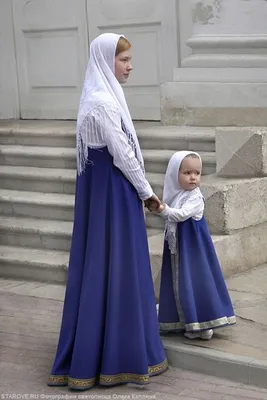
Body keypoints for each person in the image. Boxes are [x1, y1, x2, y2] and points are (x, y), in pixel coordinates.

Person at [47, 33, 168, 391]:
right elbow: (123, 155)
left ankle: (104, 353)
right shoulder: (102, 103)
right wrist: (148, 194)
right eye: (124, 60)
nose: (130, 67)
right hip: (114, 198)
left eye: (130, 60)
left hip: (104, 197)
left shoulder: (99, 97)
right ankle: (121, 358)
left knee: (104, 269)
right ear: (105, 61)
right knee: (119, 269)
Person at [154, 151, 236, 340]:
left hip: (192, 249)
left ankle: (202, 323)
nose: (193, 177)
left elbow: (180, 215)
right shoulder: (178, 195)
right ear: (175, 174)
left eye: (197, 173)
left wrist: (161, 209)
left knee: (195, 281)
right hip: (180, 249)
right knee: (180, 282)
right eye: (187, 173)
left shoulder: (195, 197)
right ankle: (184, 320)